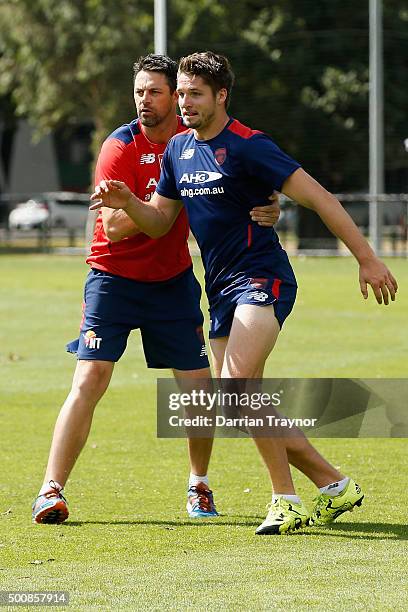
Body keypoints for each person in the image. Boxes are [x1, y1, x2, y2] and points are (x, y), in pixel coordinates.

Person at [90, 51, 398, 535]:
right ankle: (335, 484)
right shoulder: (178, 151)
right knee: (240, 401)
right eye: (183, 93)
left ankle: (285, 499)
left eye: (195, 94)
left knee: (237, 384)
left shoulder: (251, 146)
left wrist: (367, 257)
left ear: (221, 96)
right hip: (219, 289)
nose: (185, 103)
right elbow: (159, 221)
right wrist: (129, 201)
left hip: (262, 276)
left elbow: (320, 198)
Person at [31, 54, 281, 525]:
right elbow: (116, 226)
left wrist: (269, 208)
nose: (144, 101)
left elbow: (240, 188)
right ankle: (50, 489)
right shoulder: (120, 147)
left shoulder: (197, 145)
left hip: (171, 282)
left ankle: (199, 485)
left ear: (178, 96)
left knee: (197, 388)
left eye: (155, 92)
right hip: (112, 280)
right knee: (90, 378)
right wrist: (157, 204)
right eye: (139, 92)